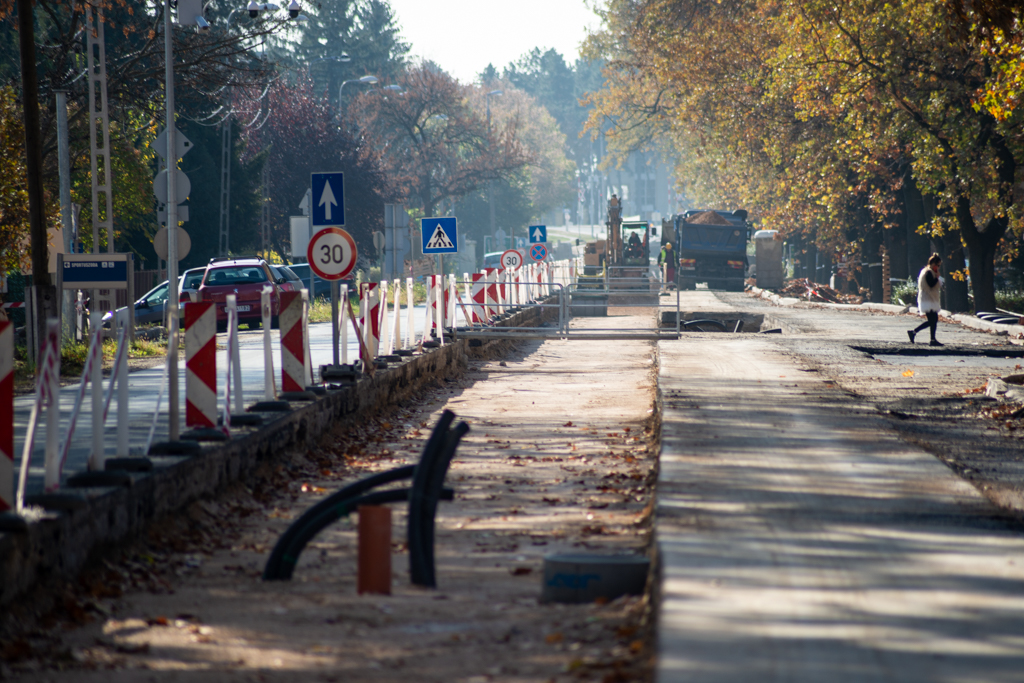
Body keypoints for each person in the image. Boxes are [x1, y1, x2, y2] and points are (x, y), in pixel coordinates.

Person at [908, 253, 944, 346]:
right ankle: (914, 332)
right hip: (928, 299)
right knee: (932, 320)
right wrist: (937, 277)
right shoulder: (928, 272)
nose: (938, 267)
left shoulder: (928, 271)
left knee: (934, 319)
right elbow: (931, 284)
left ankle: (932, 339)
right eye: (938, 265)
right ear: (933, 264)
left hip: (929, 298)